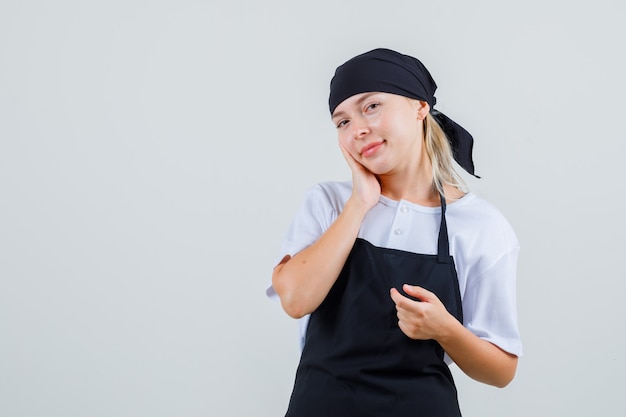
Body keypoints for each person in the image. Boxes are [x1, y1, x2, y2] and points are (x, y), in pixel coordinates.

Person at [267, 48, 522, 417]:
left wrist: (444, 330)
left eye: (371, 106)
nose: (358, 129)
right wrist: (360, 202)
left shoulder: (481, 225)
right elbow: (295, 300)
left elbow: (502, 371)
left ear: (419, 107)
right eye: (342, 122)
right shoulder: (329, 202)